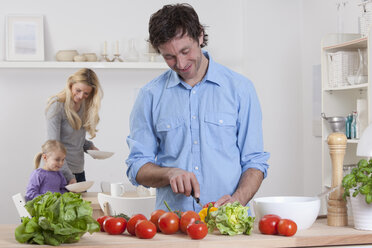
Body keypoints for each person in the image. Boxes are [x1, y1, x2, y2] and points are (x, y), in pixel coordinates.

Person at [126, 3, 270, 212]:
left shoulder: (240, 89)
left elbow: (255, 162)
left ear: (200, 36)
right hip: (173, 226)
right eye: (169, 56)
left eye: (186, 50)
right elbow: (137, 166)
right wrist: (169, 173)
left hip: (228, 226)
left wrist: (236, 203)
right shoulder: (150, 95)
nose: (181, 63)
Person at [46, 68, 103, 184]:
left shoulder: (83, 106)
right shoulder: (57, 106)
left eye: (86, 93)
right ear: (70, 85)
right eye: (78, 90)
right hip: (58, 172)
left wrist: (90, 147)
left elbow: (74, 138)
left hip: (78, 171)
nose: (81, 96)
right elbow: (53, 146)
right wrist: (69, 176)